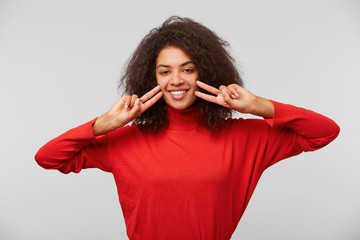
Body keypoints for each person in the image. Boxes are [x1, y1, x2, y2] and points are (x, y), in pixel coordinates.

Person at [35, 16, 340, 240]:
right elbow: (48, 157)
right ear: (152, 79)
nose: (176, 80)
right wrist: (105, 124)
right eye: (165, 71)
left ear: (204, 73)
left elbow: (324, 132)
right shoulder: (124, 140)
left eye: (188, 69)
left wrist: (258, 106)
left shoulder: (244, 137)